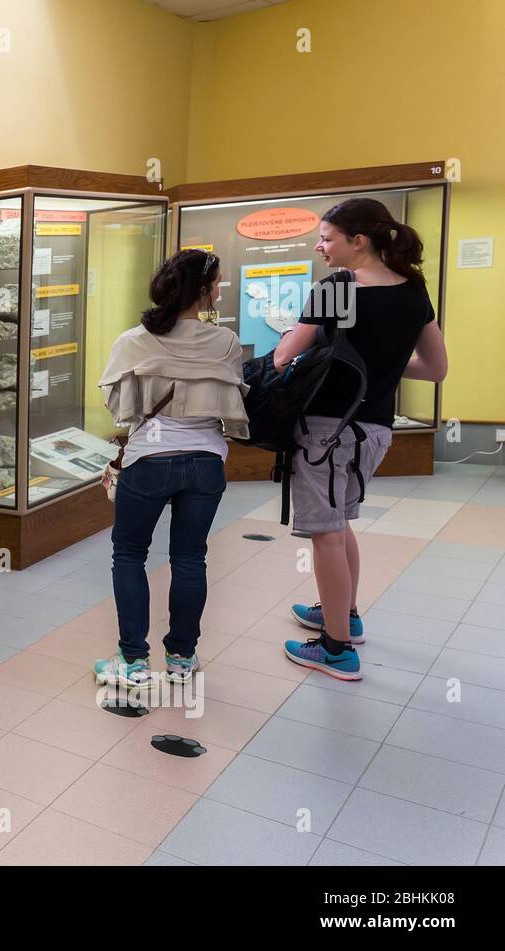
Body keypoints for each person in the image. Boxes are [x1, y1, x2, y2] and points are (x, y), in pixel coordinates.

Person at [274, 197, 448, 680]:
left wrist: (293, 337)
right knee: (341, 522)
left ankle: (335, 648)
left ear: (359, 241)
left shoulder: (336, 290)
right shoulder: (414, 291)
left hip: (327, 430)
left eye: (327, 239)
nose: (319, 246)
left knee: (326, 534)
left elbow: (283, 359)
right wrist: (382, 371)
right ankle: (343, 614)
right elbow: (435, 369)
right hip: (374, 429)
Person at [94, 249, 249, 690]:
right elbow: (234, 405)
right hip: (205, 463)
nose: (219, 289)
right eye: (217, 282)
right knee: (189, 558)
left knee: (129, 555)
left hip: (148, 461)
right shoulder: (225, 342)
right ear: (202, 292)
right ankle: (182, 659)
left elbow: (117, 408)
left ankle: (133, 663)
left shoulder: (132, 341)